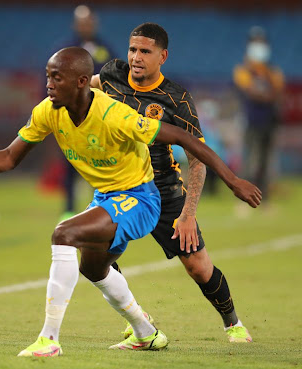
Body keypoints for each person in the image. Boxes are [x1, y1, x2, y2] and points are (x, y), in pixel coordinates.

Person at [0, 47, 261, 357]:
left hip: (142, 198)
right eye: (48, 76)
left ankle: (49, 339)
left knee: (64, 234)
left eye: (56, 78)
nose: (48, 84)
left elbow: (184, 138)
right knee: (93, 268)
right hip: (106, 197)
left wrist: (233, 180)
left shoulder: (114, 114)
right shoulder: (48, 112)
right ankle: (146, 333)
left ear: (81, 82)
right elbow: (9, 157)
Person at [91, 22, 254, 343]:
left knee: (198, 267)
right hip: (118, 187)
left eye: (145, 51)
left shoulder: (176, 98)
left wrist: (189, 213)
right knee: (95, 255)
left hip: (163, 191)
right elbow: (87, 85)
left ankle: (233, 323)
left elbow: (198, 157)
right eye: (133, 49)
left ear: (162, 56)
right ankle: (138, 320)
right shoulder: (110, 75)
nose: (136, 57)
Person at [56, 5, 116, 220]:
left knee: (99, 162)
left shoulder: (105, 48)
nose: (85, 26)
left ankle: (98, 207)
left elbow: (115, 75)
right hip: (70, 116)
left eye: (88, 22)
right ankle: (69, 209)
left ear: (94, 23)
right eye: (82, 22)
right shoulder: (64, 50)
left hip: (97, 115)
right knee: (70, 163)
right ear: (75, 25)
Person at [233, 26, 284, 204]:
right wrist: (267, 93)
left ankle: (265, 200)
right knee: (249, 161)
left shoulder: (272, 71)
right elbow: (251, 91)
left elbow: (277, 92)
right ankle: (243, 200)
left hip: (269, 122)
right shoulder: (242, 70)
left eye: (261, 43)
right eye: (256, 43)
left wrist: (265, 88)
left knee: (265, 163)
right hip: (251, 121)